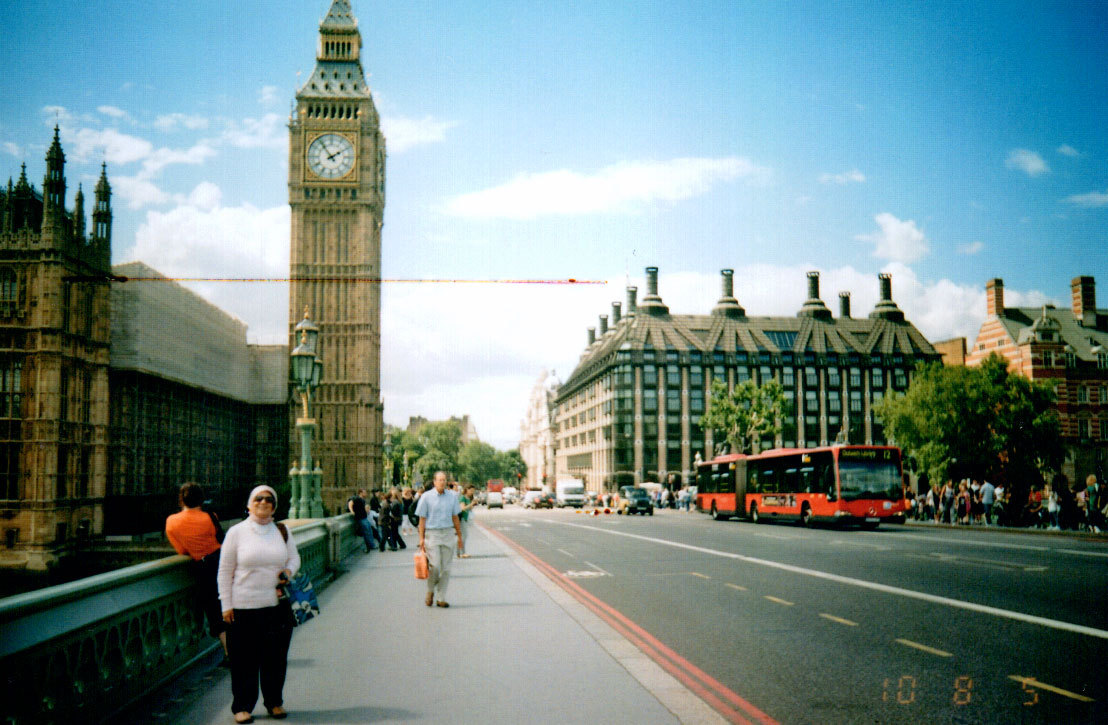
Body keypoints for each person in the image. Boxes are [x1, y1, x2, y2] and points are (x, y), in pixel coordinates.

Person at [218, 485, 300, 723]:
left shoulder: (281, 530)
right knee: (244, 660)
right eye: (258, 499)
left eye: (269, 499)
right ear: (249, 504)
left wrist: (288, 571)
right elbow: (224, 570)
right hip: (243, 606)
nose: (263, 502)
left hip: (276, 605)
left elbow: (294, 558)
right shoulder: (236, 532)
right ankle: (242, 706)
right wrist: (226, 604)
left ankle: (274, 702)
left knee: (275, 658)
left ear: (274, 506)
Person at [165, 482, 229, 662]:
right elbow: (219, 539)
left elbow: (181, 550)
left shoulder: (171, 522)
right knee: (230, 605)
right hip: (222, 562)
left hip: (203, 568)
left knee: (215, 611)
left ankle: (229, 652)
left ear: (181, 500)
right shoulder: (211, 516)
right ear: (201, 499)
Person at [416, 471, 463, 608]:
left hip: (448, 533)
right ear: (434, 482)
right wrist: (421, 538)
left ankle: (441, 598)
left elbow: (455, 517)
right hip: (432, 534)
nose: (442, 482)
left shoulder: (452, 497)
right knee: (435, 566)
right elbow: (422, 519)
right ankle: (430, 590)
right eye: (440, 480)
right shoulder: (426, 497)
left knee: (446, 569)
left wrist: (459, 536)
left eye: (444, 480)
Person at [347, 488, 376, 553]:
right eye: (364, 492)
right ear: (360, 493)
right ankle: (369, 546)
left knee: (369, 531)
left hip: (364, 518)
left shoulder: (362, 500)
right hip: (361, 518)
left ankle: (372, 545)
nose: (366, 494)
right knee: (366, 532)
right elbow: (350, 503)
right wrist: (352, 511)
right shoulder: (357, 498)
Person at [458, 485, 477, 558]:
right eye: (471, 491)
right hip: (462, 518)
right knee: (463, 536)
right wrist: (471, 504)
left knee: (464, 536)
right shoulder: (462, 497)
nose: (472, 492)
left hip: (466, 518)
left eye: (473, 491)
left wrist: (473, 504)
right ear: (466, 490)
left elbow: (470, 508)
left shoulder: (468, 498)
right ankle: (462, 552)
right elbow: (462, 508)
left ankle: (459, 552)